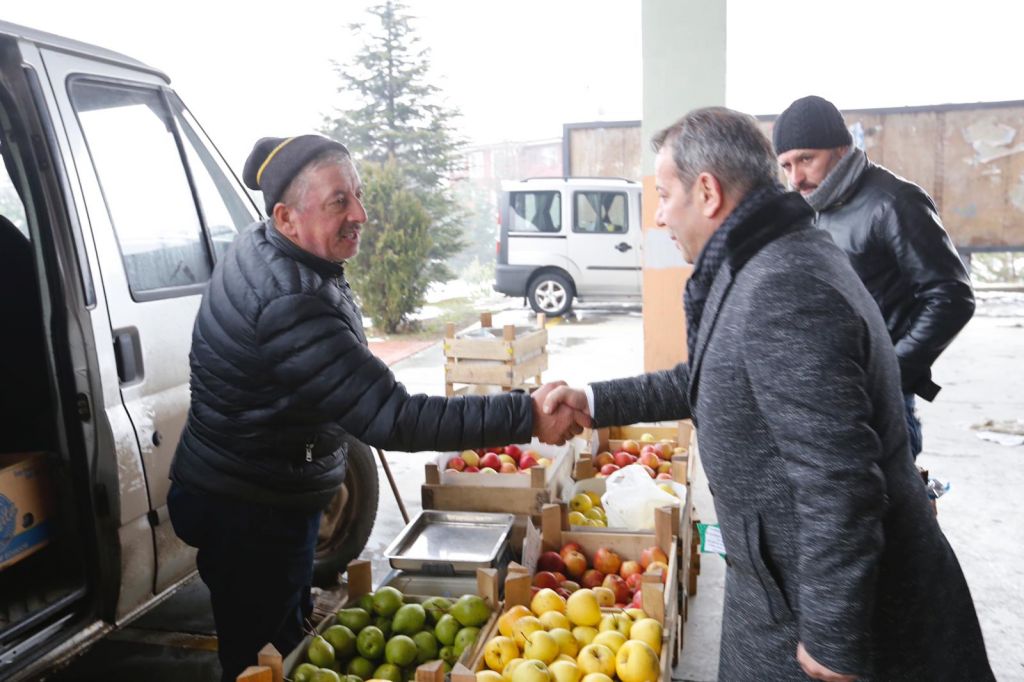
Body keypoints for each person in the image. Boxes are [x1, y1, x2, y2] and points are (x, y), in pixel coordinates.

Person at [543, 108, 993, 681]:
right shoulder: (760, 258)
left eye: (663, 195)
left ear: (707, 192)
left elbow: (839, 476)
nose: (657, 218)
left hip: (829, 616)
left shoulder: (784, 283)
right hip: (780, 586)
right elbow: (707, 376)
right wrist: (594, 400)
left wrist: (833, 635)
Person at [167, 134, 583, 681]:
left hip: (248, 489)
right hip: (250, 512)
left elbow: (325, 385)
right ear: (286, 217)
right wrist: (524, 414)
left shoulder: (266, 247)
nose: (361, 214)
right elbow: (397, 417)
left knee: (283, 642)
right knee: (262, 661)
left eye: (358, 195)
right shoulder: (291, 301)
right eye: (340, 201)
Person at [773, 95, 975, 459]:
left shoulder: (894, 201)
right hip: (834, 388)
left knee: (887, 510)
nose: (796, 177)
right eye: (786, 165)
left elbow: (951, 296)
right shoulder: (817, 207)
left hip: (881, 400)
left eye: (806, 158)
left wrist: (890, 374)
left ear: (841, 148)